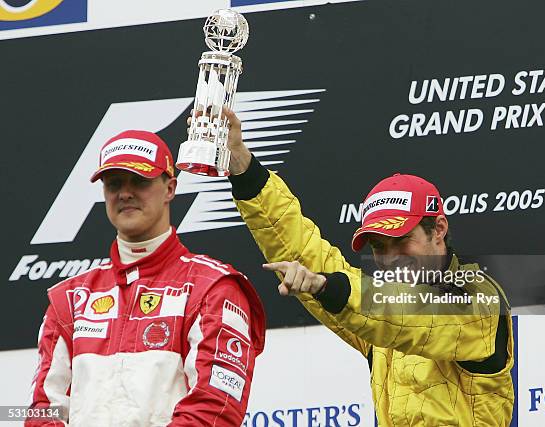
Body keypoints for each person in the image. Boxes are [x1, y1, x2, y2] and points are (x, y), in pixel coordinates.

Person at [199, 108, 515, 426]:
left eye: (401, 240)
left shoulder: (478, 298)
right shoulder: (374, 308)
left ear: (438, 229)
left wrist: (326, 286)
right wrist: (242, 164)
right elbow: (306, 254)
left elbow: (406, 317)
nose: (390, 258)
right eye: (379, 246)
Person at [27, 130, 266, 426]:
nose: (125, 193)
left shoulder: (212, 288)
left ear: (170, 189)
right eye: (114, 184)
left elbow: (215, 408)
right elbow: (43, 410)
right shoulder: (70, 299)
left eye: (139, 181)